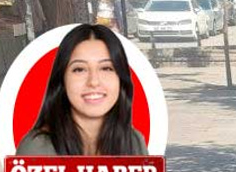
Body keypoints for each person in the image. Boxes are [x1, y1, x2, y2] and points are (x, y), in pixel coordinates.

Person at [18, 23, 146, 156]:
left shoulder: (135, 143)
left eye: (106, 68)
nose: (94, 82)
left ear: (121, 78)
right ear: (62, 79)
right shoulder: (37, 149)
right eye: (79, 69)